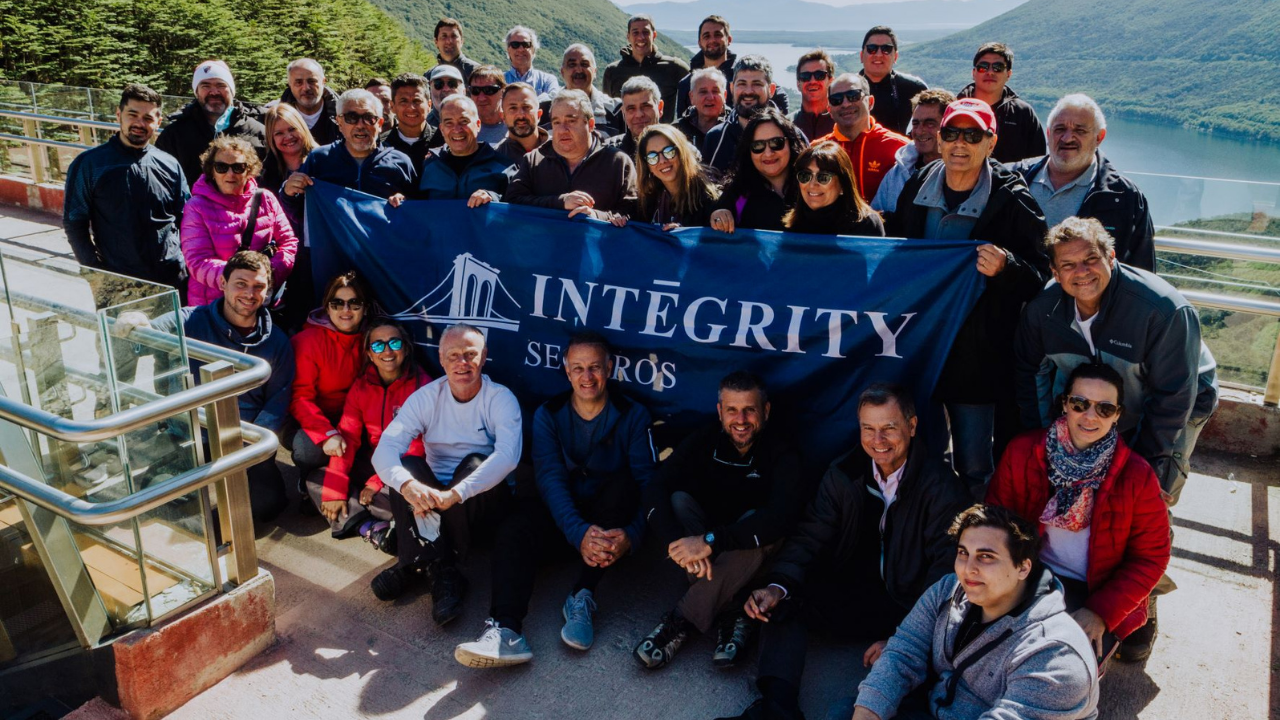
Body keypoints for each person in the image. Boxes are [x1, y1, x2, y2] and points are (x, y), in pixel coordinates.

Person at [718, 385, 970, 720]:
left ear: (911, 426)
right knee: (784, 601)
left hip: (908, 606)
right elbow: (810, 536)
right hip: (852, 593)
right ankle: (777, 708)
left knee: (932, 662)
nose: (877, 440)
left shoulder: (941, 486)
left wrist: (904, 640)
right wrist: (776, 586)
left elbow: (947, 572)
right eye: (868, 428)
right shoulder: (843, 473)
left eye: (888, 428)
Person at [454, 332, 656, 667]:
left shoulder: (633, 414)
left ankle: (582, 594)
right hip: (563, 522)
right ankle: (506, 631)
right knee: (514, 528)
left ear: (609, 368)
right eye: (578, 368)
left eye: (594, 367)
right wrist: (578, 533)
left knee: (623, 486)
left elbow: (649, 484)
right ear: (566, 371)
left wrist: (633, 536)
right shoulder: (550, 413)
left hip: (607, 523)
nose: (586, 377)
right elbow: (550, 481)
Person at [886, 98, 1049, 496]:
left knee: (975, 463)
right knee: (922, 453)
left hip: (977, 359)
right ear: (938, 140)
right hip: (921, 347)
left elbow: (1042, 276)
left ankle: (981, 542)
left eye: (972, 135)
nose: (960, 143)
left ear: (991, 143)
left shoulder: (1012, 199)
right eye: (951, 133)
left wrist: (1007, 266)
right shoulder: (915, 187)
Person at [1014, 216, 1218, 508]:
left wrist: (1145, 468)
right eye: (1068, 265)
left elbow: (1172, 397)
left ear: (1111, 257)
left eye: (1091, 259)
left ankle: (1152, 539)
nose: (1081, 272)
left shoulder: (1161, 310)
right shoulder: (1042, 312)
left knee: (1147, 493)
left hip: (1182, 396)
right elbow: (1030, 373)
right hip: (1104, 398)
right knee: (1086, 481)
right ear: (1055, 273)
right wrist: (1044, 442)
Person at [836, 505, 1099, 720]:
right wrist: (868, 713)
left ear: (1023, 568)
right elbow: (905, 650)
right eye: (963, 553)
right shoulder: (948, 589)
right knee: (848, 712)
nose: (968, 569)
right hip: (936, 705)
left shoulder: (1055, 656)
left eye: (986, 557)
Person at [989, 362, 1172, 663]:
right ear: (1064, 404)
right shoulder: (1022, 451)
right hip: (1030, 574)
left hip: (1095, 591)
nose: (1090, 416)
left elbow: (1150, 556)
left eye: (1104, 408)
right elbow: (996, 525)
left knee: (1065, 669)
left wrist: (1100, 612)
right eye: (1080, 403)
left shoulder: (1138, 477)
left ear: (1117, 416)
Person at [635, 371, 808, 671]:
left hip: (749, 551)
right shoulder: (705, 438)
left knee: (759, 527)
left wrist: (709, 542)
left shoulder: (783, 451)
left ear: (765, 411)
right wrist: (677, 544)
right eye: (732, 410)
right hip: (704, 548)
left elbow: (780, 518)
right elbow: (655, 488)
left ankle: (680, 622)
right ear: (720, 412)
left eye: (749, 409)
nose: (740, 419)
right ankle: (733, 610)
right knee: (677, 501)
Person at [370, 324, 523, 626]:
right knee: (408, 468)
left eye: (470, 355)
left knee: (476, 462)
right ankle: (436, 567)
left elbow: (508, 457)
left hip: (481, 504)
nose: (462, 363)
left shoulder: (500, 398)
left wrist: (455, 494)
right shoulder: (427, 397)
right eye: (453, 355)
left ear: (484, 357)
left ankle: (424, 562)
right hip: (433, 498)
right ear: (441, 359)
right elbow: (384, 449)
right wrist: (409, 485)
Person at [146, 251, 293, 524]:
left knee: (267, 505)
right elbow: (145, 335)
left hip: (242, 437)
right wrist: (133, 323)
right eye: (241, 283)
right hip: (193, 433)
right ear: (223, 283)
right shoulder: (191, 319)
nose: (249, 293)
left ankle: (214, 528)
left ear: (268, 291)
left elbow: (277, 401)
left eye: (258, 286)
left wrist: (249, 444)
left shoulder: (278, 341)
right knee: (160, 493)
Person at [311, 318, 430, 538]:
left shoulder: (423, 386)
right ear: (369, 353)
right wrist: (334, 490)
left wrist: (377, 482)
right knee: (317, 480)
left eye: (394, 343)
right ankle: (371, 528)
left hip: (406, 467)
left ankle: (357, 516)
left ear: (405, 348)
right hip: (372, 461)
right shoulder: (361, 386)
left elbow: (419, 447)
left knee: (388, 501)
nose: (387, 351)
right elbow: (348, 435)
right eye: (378, 345)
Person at [65, 83, 189, 294]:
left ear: (158, 122)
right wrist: (96, 273)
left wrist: (185, 262)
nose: (140, 123)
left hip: (171, 278)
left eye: (148, 118)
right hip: (119, 283)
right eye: (132, 115)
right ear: (119, 115)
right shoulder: (90, 164)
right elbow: (75, 222)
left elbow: (186, 217)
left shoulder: (169, 164)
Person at [1008, 94, 1155, 270]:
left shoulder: (1125, 198)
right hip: (1017, 295)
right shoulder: (1013, 178)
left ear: (1099, 137)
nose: (1067, 138)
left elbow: (1141, 270)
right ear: (1048, 133)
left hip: (1085, 296)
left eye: (1080, 130)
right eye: (1060, 129)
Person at [180, 136, 297, 307]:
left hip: (259, 301)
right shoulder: (196, 207)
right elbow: (197, 260)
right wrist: (241, 281)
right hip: (214, 305)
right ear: (211, 170)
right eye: (221, 167)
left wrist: (268, 274)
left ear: (249, 170)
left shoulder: (266, 199)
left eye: (238, 167)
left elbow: (288, 242)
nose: (230, 174)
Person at [505, 90, 638, 223]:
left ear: (590, 125)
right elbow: (512, 201)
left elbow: (634, 213)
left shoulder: (618, 162)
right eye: (556, 122)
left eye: (571, 121)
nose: (563, 130)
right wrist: (560, 202)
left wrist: (596, 216)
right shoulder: (534, 160)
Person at [289, 272, 370, 487]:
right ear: (327, 306)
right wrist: (326, 434)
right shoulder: (307, 342)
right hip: (316, 418)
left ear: (365, 308)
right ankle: (308, 481)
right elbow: (300, 398)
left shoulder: (374, 340)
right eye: (337, 303)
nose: (346, 310)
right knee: (310, 450)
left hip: (355, 418)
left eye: (354, 303)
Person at [282, 89, 416, 209]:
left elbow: (420, 214)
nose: (360, 125)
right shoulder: (319, 159)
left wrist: (405, 202)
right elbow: (297, 211)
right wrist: (288, 192)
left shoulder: (400, 162)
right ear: (339, 123)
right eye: (351, 118)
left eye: (369, 118)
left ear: (380, 124)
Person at [156, 60, 266, 191]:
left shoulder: (258, 132)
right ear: (196, 92)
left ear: (232, 90)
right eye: (205, 86)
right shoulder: (174, 135)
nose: (214, 92)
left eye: (221, 85)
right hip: (191, 210)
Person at [813, 73, 908, 204]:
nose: (845, 104)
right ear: (829, 109)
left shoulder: (900, 148)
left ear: (870, 102)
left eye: (853, 96)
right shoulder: (816, 150)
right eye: (836, 99)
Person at [708, 108, 807, 233]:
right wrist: (718, 216)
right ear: (748, 151)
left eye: (776, 143)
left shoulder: (811, 184)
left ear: (791, 143)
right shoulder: (738, 192)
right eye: (758, 146)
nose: (768, 153)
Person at [673, 15, 789, 120]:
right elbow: (682, 121)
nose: (712, 40)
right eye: (706, 36)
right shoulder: (687, 83)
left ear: (729, 40)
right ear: (699, 42)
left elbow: (779, 96)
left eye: (718, 35)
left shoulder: (741, 74)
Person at [957, 42, 1046, 164]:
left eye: (998, 67)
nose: (990, 72)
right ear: (974, 73)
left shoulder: (1023, 113)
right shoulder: (955, 109)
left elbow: (1037, 161)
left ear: (1008, 74)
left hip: (1011, 182)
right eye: (983, 67)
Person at [871, 88, 954, 213]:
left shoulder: (964, 171)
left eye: (930, 123)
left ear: (949, 126)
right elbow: (876, 219)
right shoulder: (897, 174)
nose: (920, 131)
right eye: (916, 123)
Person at [418, 95, 512, 204]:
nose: (457, 129)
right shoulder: (429, 165)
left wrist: (493, 197)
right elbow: (415, 209)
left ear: (478, 125)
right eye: (449, 123)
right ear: (442, 129)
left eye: (464, 121)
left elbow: (519, 210)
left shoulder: (504, 167)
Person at [781, 142, 885, 237]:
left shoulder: (866, 224)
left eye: (823, 177)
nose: (812, 184)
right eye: (805, 176)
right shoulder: (791, 225)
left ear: (843, 185)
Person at [602, 15, 689, 123]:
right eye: (635, 32)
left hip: (662, 136)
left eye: (646, 32)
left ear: (654, 35)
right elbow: (607, 110)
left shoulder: (674, 67)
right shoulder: (613, 71)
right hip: (624, 138)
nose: (641, 37)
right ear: (628, 36)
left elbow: (693, 99)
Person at [704, 55, 780, 173]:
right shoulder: (716, 138)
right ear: (731, 88)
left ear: (771, 89)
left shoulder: (789, 135)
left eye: (757, 84)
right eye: (742, 84)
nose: (748, 91)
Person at [635, 124, 719, 229]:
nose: (662, 161)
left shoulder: (708, 195)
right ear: (647, 165)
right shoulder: (648, 198)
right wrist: (620, 217)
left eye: (669, 151)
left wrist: (684, 235)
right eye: (652, 157)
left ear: (681, 152)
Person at [858, 26, 928, 136]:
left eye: (886, 49)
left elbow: (932, 124)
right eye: (872, 48)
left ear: (895, 57)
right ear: (861, 56)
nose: (879, 54)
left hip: (898, 151)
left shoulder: (914, 88)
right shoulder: (846, 89)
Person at [260, 103, 318, 232]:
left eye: (292, 129)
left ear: (302, 127)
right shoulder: (264, 173)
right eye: (279, 133)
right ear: (271, 138)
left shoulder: (323, 161)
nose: (288, 137)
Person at [541, 44, 622, 136]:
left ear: (594, 71)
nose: (579, 70)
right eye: (572, 64)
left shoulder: (616, 110)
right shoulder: (542, 107)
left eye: (584, 64)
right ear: (562, 72)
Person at [384, 73, 441, 174]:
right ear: (392, 106)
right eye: (403, 101)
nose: (411, 108)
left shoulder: (443, 141)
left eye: (417, 101)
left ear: (429, 105)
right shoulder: (381, 145)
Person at [278, 58, 341, 147]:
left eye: (312, 81)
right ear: (290, 85)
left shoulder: (345, 116)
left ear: (323, 82)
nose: (306, 88)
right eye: (299, 82)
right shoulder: (276, 118)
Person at [607, 76, 664, 158]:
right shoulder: (610, 153)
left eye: (646, 106)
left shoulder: (678, 146)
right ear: (623, 112)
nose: (639, 115)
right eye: (631, 109)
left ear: (660, 108)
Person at [495, 83, 549, 164]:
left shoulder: (560, 151)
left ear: (539, 114)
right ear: (503, 117)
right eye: (513, 108)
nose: (521, 115)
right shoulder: (495, 158)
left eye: (526, 107)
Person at [674, 67, 727, 149]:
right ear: (692, 97)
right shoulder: (676, 132)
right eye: (703, 92)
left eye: (715, 91)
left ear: (725, 96)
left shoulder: (736, 128)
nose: (710, 97)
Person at [789, 50, 835, 140]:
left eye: (820, 75)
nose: (812, 81)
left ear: (830, 81)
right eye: (805, 76)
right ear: (798, 84)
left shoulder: (843, 123)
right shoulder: (787, 125)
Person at [503, 26, 559, 96]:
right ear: (508, 50)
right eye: (515, 45)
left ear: (533, 50)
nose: (521, 49)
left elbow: (553, 100)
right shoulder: (499, 81)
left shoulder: (547, 80)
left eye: (525, 44)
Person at [467, 66, 509, 144]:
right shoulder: (463, 129)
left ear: (503, 91)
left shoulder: (515, 126)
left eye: (489, 90)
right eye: (475, 90)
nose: (482, 98)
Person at [434, 18, 480, 84]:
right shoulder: (429, 76)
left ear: (462, 41)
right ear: (436, 42)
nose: (449, 41)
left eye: (454, 36)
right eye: (444, 36)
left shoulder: (476, 73)